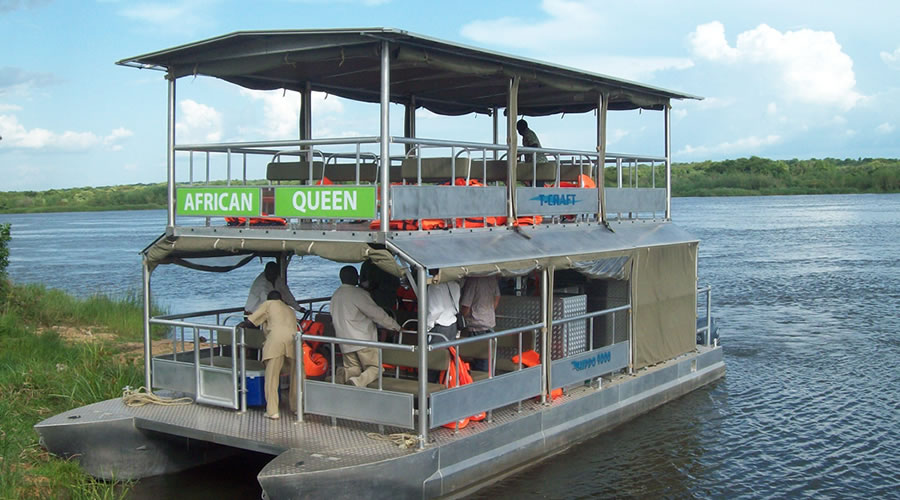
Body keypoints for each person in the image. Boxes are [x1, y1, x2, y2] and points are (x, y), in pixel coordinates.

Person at [329, 265, 401, 387]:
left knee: (353, 368)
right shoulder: (358, 294)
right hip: (363, 340)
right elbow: (376, 314)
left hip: (343, 339)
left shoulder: (335, 295)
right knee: (376, 368)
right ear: (355, 278)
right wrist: (395, 326)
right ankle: (357, 382)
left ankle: (346, 382)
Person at [242, 290, 298, 420]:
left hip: (275, 342)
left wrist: (241, 325)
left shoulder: (268, 304)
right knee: (296, 376)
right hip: (293, 341)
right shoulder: (289, 309)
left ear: (269, 298)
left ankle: (273, 411)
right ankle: (296, 407)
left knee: (272, 377)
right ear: (281, 298)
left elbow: (251, 321)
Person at [460, 276, 501, 371]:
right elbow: (497, 297)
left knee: (477, 361)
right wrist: (489, 311)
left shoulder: (473, 281)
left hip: (476, 325)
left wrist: (461, 318)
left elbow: (466, 305)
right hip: (489, 324)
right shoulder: (492, 278)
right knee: (488, 358)